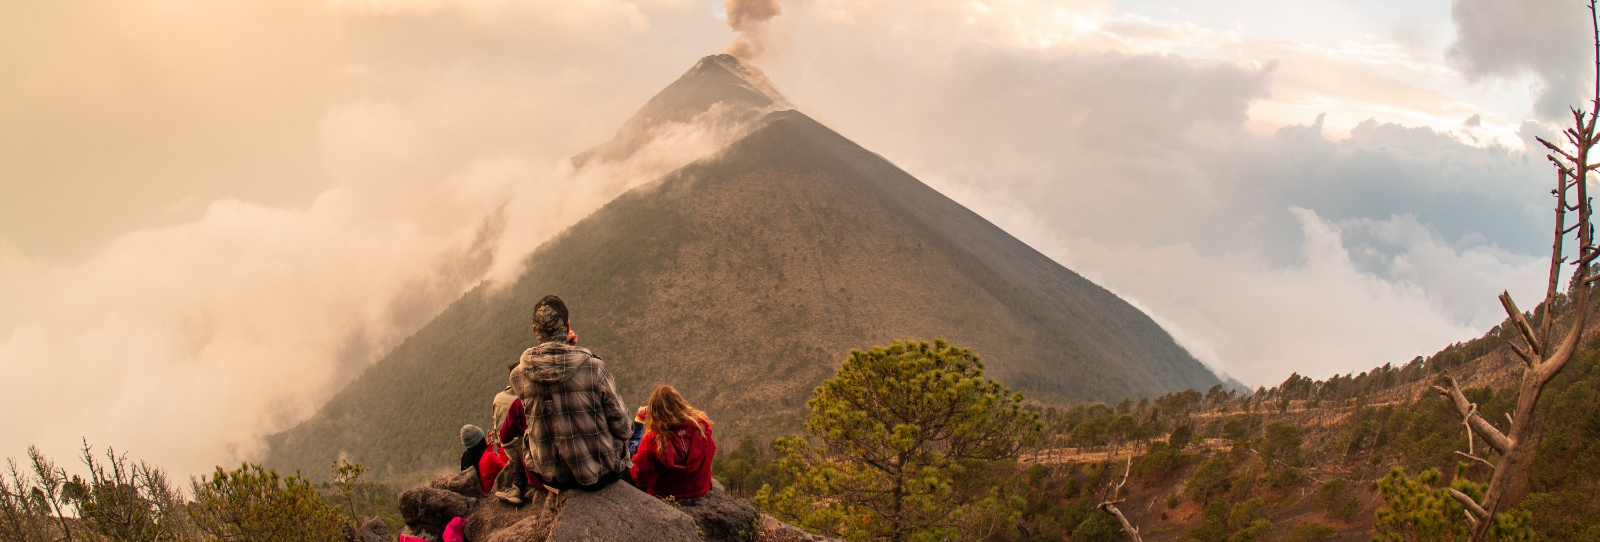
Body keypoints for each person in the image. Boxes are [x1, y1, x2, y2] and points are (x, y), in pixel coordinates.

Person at [501, 295, 631, 496]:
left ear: (535, 331)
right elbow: (623, 428)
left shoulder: (518, 375)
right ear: (568, 326)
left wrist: (567, 349)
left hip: (549, 477)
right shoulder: (594, 368)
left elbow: (552, 377)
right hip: (600, 475)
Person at [630, 385, 716, 500]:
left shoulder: (652, 441)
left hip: (666, 494)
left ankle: (638, 425)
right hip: (699, 489)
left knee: (633, 448)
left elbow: (641, 479)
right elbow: (710, 453)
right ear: (680, 404)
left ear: (655, 414)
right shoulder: (700, 427)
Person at [459, 424, 506, 493]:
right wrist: (502, 449)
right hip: (490, 495)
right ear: (481, 440)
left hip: (478, 494)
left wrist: (487, 449)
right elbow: (507, 469)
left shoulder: (464, 456)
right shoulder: (489, 457)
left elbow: (484, 466)